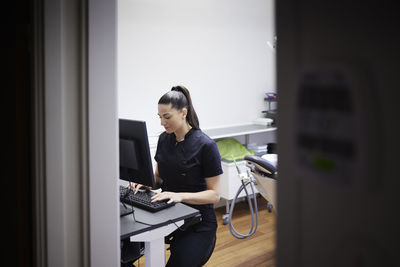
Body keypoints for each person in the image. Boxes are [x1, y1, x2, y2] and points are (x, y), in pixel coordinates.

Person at [131, 85, 223, 267]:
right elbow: (158, 178)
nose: (162, 122)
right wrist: (146, 183)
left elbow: (214, 195)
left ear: (183, 113)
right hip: (168, 214)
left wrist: (178, 195)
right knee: (119, 254)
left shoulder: (206, 146)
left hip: (198, 223)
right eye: (159, 117)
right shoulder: (164, 139)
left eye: (167, 117)